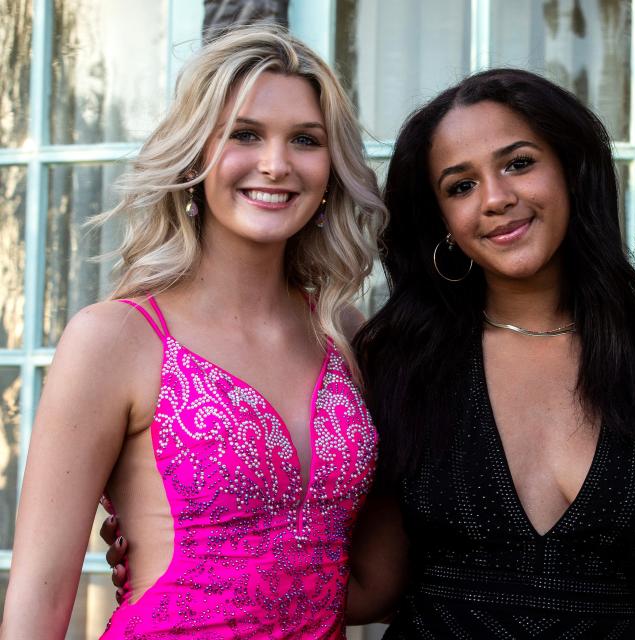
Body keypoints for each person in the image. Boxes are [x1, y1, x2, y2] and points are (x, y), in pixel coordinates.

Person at [1, 25, 386, 639]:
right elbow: (40, 598)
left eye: (305, 140)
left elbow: (365, 576)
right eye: (245, 134)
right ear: (194, 154)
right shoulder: (116, 339)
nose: (276, 164)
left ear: (331, 167)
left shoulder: (343, 333)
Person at [346, 68, 635, 638]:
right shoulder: (398, 359)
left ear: (571, 171)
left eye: (518, 163)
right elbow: (371, 585)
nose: (497, 199)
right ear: (443, 223)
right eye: (461, 186)